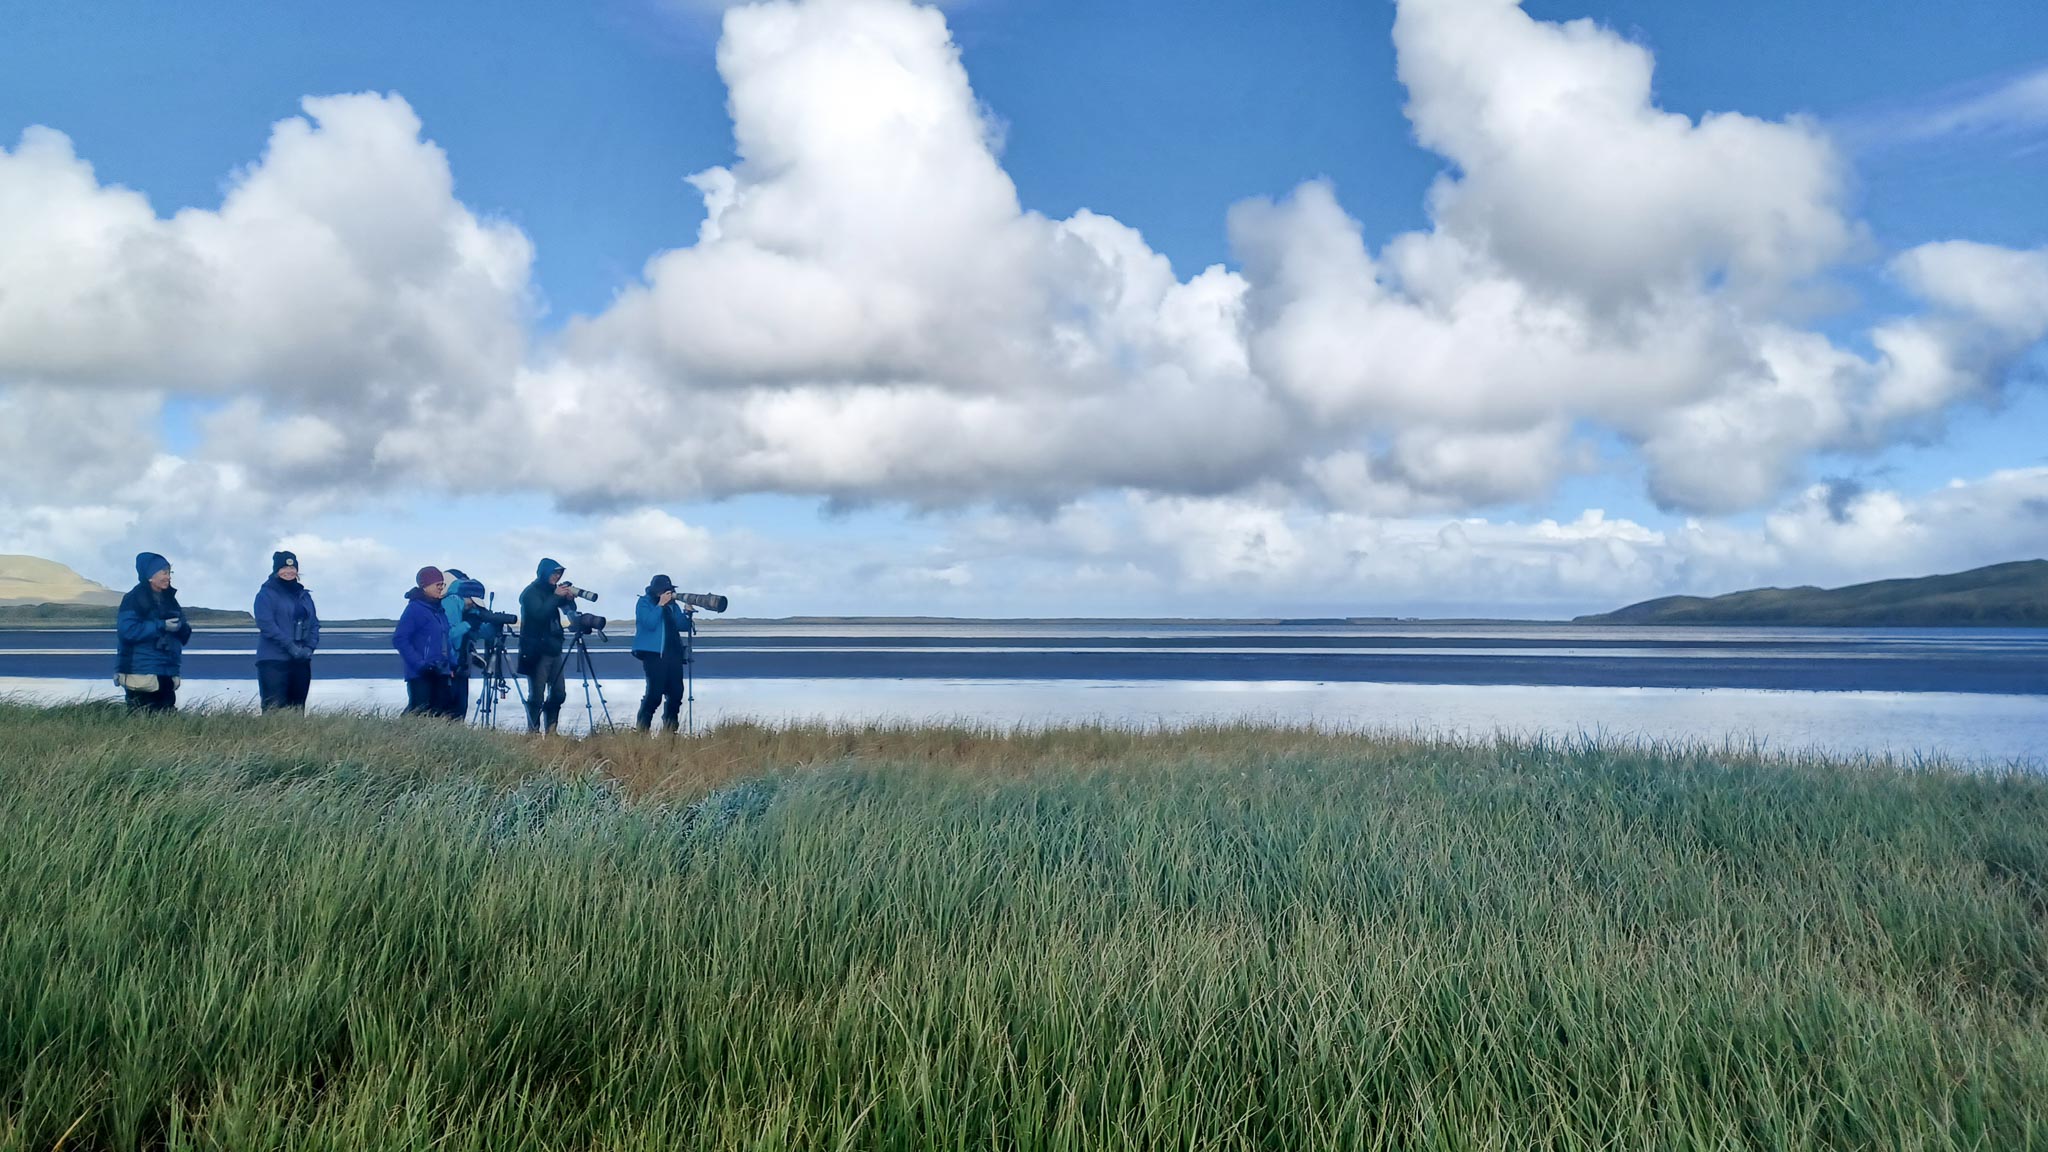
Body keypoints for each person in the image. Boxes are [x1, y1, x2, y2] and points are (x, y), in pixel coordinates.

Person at [115, 551, 192, 713]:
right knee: (140, 717)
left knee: (166, 718)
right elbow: (128, 631)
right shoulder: (134, 599)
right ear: (150, 576)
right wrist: (161, 626)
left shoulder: (170, 599)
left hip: (166, 670)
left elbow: (184, 634)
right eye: (164, 572)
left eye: (169, 572)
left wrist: (181, 628)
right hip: (140, 671)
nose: (168, 577)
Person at [253, 550, 319, 712]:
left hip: (301, 661)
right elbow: (266, 624)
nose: (289, 572)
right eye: (284, 568)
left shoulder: (304, 596)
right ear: (276, 571)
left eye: (292, 568)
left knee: (297, 710)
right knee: (274, 710)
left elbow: (314, 624)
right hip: (273, 661)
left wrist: (309, 648)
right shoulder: (266, 594)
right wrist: (290, 646)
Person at [517, 557, 578, 734]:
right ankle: (533, 733)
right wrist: (555, 597)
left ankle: (552, 731)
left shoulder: (554, 591)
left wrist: (569, 598)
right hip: (536, 651)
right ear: (544, 573)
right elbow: (539, 615)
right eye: (554, 573)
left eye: (559, 573)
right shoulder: (530, 593)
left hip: (554, 648)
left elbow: (569, 610)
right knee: (536, 696)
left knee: (559, 693)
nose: (557, 576)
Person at [631, 574, 695, 733]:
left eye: (668, 591)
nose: (667, 594)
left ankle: (670, 732)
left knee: (676, 694)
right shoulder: (644, 602)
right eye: (663, 591)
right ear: (655, 591)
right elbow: (649, 623)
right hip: (654, 654)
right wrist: (660, 605)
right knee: (654, 695)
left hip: (674, 653)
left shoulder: (673, 605)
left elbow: (682, 625)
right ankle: (642, 732)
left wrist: (687, 614)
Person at [392, 566, 457, 717]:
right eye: (438, 584)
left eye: (442, 584)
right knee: (418, 712)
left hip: (441, 671)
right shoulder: (415, 609)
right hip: (421, 673)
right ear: (425, 586)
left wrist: (451, 664)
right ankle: (399, 736)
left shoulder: (439, 609)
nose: (441, 588)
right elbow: (400, 639)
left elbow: (445, 639)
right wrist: (419, 664)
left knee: (440, 714)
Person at [441, 568, 484, 720]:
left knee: (460, 708)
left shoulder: (463, 607)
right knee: (450, 709)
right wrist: (468, 624)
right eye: (473, 602)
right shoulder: (451, 602)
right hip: (449, 664)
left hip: (460, 663)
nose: (473, 605)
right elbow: (448, 634)